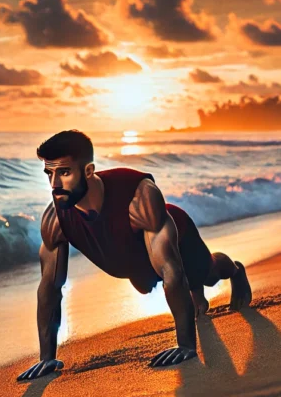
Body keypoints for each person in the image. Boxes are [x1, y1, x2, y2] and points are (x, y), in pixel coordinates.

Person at [17, 130, 251, 381]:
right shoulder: (55, 219)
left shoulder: (138, 197)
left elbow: (171, 270)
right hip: (131, 257)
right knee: (144, 285)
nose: (54, 185)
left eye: (64, 173)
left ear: (88, 171)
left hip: (176, 237)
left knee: (208, 273)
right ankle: (196, 298)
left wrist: (186, 346)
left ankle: (236, 271)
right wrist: (46, 358)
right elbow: (50, 286)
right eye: (49, 173)